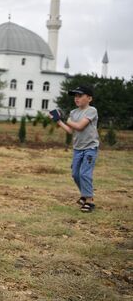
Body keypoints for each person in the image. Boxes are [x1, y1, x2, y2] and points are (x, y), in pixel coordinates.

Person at [51, 85, 99, 213]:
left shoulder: (91, 110)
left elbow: (80, 126)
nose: (76, 98)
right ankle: (84, 194)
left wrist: (67, 120)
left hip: (90, 147)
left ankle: (89, 201)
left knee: (84, 173)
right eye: (75, 96)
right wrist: (59, 121)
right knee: (75, 174)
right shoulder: (73, 112)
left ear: (89, 98)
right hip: (78, 148)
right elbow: (70, 130)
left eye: (80, 96)